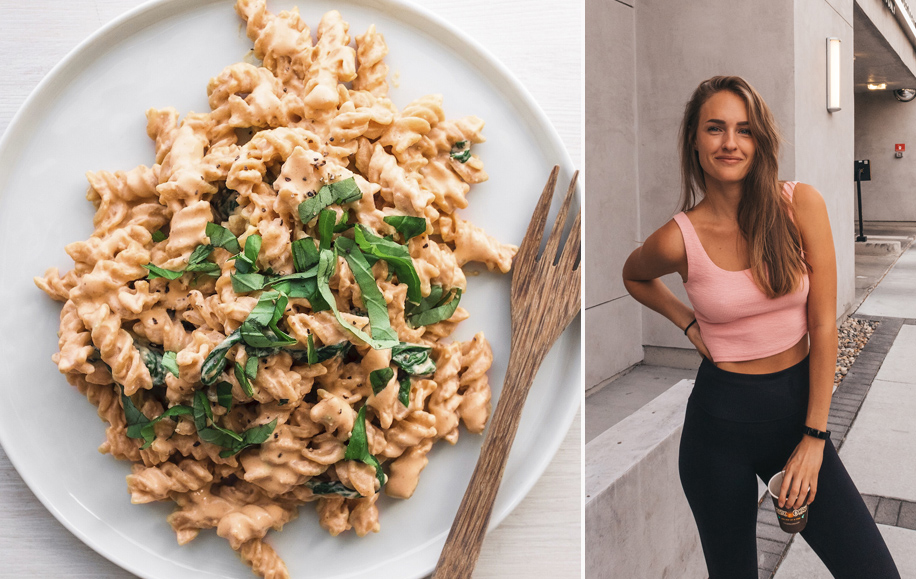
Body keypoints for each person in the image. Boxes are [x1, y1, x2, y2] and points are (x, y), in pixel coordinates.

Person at [621, 76, 900, 578]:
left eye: (744, 129)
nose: (730, 142)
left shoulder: (799, 205)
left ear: (760, 140)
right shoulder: (678, 238)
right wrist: (687, 324)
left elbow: (822, 323)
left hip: (796, 416)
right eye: (715, 128)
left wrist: (815, 437)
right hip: (717, 426)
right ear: (694, 139)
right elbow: (633, 275)